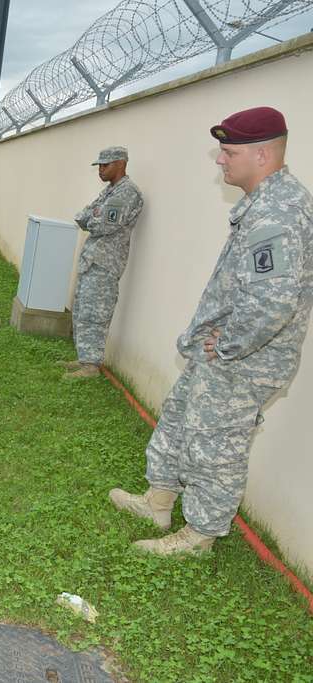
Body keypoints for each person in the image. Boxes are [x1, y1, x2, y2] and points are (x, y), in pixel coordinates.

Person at [110, 106, 313, 555]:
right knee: (182, 419)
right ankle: (159, 501)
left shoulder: (278, 212)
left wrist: (229, 345)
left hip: (247, 361)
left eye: (227, 152)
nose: (220, 161)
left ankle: (199, 534)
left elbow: (273, 302)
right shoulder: (262, 204)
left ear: (261, 154)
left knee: (216, 443)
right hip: (222, 353)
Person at [63, 146, 145, 379]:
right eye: (99, 165)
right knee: (82, 310)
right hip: (93, 260)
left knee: (96, 313)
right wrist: (93, 217)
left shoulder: (126, 193)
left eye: (105, 165)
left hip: (105, 264)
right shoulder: (110, 191)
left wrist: (93, 218)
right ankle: (84, 358)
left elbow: (102, 225)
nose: (100, 169)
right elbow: (83, 215)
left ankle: (91, 365)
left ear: (120, 164)